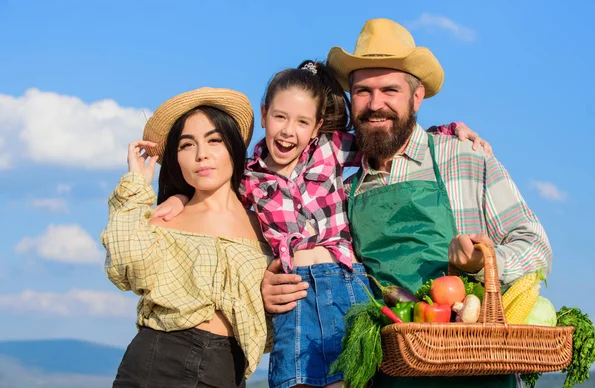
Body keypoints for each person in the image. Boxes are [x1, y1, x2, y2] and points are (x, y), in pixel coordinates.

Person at [154, 60, 490, 388]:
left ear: (316, 127)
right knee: (295, 379)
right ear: (265, 114)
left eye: (302, 122)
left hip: (346, 284)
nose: (288, 131)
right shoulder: (247, 179)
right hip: (295, 292)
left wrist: (449, 131)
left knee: (351, 379)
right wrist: (180, 199)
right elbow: (213, 196)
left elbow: (391, 139)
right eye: (280, 117)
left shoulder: (332, 149)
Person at [262, 18, 552, 388]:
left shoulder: (463, 159)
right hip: (382, 376)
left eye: (390, 90)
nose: (375, 104)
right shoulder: (338, 178)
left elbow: (536, 246)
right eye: (364, 91)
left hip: (473, 374)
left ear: (416, 97)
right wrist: (271, 286)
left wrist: (484, 264)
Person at [100, 87, 273, 388]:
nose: (201, 154)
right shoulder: (165, 219)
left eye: (214, 140)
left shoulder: (267, 223)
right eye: (186, 145)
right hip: (157, 361)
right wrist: (136, 186)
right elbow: (126, 268)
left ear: (233, 146)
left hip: (229, 371)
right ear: (176, 159)